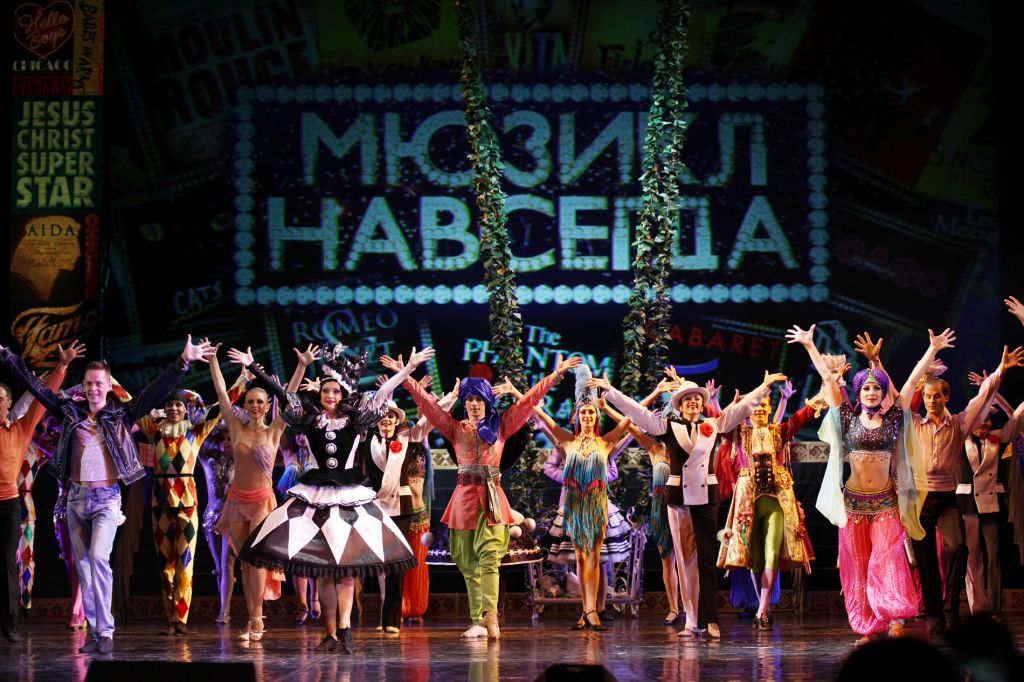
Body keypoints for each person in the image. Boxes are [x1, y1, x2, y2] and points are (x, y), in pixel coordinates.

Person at [787, 324, 1020, 644]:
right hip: (854, 502)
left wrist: (932, 349)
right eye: (866, 388)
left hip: (885, 501)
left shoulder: (895, 417)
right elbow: (828, 380)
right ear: (858, 392)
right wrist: (810, 345)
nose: (872, 392)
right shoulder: (847, 417)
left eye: (877, 388)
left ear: (883, 393)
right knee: (859, 565)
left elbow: (911, 382)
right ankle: (868, 627)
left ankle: (895, 617)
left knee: (887, 560)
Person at [0, 335, 214, 654]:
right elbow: (36, 388)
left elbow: (152, 392)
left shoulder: (120, 415)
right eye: (89, 383)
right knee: (84, 568)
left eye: (99, 383)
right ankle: (95, 632)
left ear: (108, 385)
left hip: (107, 500)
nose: (94, 389)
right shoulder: (70, 413)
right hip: (76, 500)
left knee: (99, 558)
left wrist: (182, 362)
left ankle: (107, 630)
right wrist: (7, 356)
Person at [239, 344, 432, 654]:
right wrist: (254, 368)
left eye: (336, 391)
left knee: (345, 570)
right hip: (315, 495)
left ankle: (345, 628)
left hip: (348, 497)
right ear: (320, 393)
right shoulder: (310, 419)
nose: (330, 395)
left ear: (343, 395)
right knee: (324, 573)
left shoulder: (356, 420)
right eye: (326, 391)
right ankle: (330, 633)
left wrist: (407, 370)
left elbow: (382, 395)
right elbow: (283, 394)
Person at [595, 369, 789, 639]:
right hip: (679, 498)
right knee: (685, 560)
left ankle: (711, 620)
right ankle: (691, 621)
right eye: (687, 399)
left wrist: (764, 387)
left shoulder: (713, 424)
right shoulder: (668, 426)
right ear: (680, 404)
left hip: (706, 497)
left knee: (707, 560)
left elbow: (742, 408)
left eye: (697, 398)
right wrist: (610, 392)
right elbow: (637, 414)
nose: (693, 402)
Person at [401, 354, 580, 640]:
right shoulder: (454, 427)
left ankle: (491, 617)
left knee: (490, 558)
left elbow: (528, 402)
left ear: (487, 401)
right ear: (465, 403)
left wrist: (555, 375)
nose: (474, 404)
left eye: (479, 399)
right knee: (466, 561)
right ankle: (478, 620)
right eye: (469, 400)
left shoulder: (502, 425)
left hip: (492, 500)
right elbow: (428, 406)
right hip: (463, 501)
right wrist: (407, 379)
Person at [208, 344, 312, 641]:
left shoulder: (274, 430)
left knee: (258, 561)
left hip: (263, 503)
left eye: (260, 402)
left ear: (267, 406)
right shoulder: (236, 428)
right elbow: (221, 393)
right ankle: (254, 618)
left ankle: (256, 621)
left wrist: (302, 366)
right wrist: (213, 360)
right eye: (250, 401)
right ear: (245, 404)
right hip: (236, 502)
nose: (254, 406)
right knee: (245, 564)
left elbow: (289, 397)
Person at [716, 389, 818, 630]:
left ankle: (762, 609)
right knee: (756, 558)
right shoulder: (738, 433)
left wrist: (825, 389)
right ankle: (764, 607)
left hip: (776, 502)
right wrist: (731, 404)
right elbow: (719, 421)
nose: (759, 409)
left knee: (772, 552)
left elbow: (801, 416)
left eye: (764, 405)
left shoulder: (779, 432)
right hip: (748, 504)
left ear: (770, 409)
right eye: (755, 406)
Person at [0, 341, 81, 643]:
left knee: (8, 563)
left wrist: (62, 367)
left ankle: (10, 625)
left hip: (8, 504)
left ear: (8, 403)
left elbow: (41, 402)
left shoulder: (19, 430)